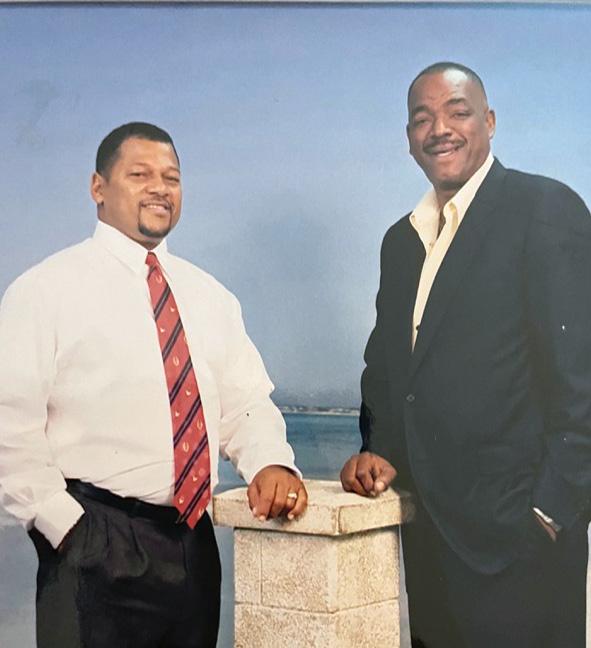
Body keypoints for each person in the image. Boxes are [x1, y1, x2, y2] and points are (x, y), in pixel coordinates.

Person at [0, 122, 307, 648]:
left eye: (171, 177)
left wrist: (271, 463)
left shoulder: (211, 297)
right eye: (139, 174)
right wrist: (64, 528)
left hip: (193, 547)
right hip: (93, 544)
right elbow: (9, 421)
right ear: (98, 187)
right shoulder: (45, 290)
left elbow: (246, 404)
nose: (159, 188)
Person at [340, 62, 591, 648]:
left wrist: (549, 512)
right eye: (422, 119)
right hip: (430, 543)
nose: (439, 130)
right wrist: (379, 449)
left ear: (490, 121)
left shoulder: (543, 208)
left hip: (522, 548)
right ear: (409, 138)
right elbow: (389, 372)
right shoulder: (401, 241)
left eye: (457, 112)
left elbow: (581, 378)